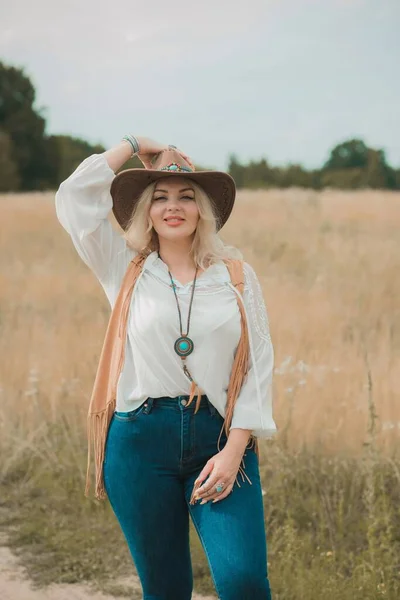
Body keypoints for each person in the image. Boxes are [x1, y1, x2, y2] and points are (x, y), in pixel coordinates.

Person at [55, 135, 277, 600]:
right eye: (160, 198)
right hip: (139, 443)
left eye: (185, 197)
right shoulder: (124, 268)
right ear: (147, 212)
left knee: (243, 582)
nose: (172, 207)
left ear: (202, 211)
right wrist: (133, 144)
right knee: (166, 588)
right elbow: (75, 199)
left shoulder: (236, 276)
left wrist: (235, 449)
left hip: (219, 438)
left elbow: (259, 365)